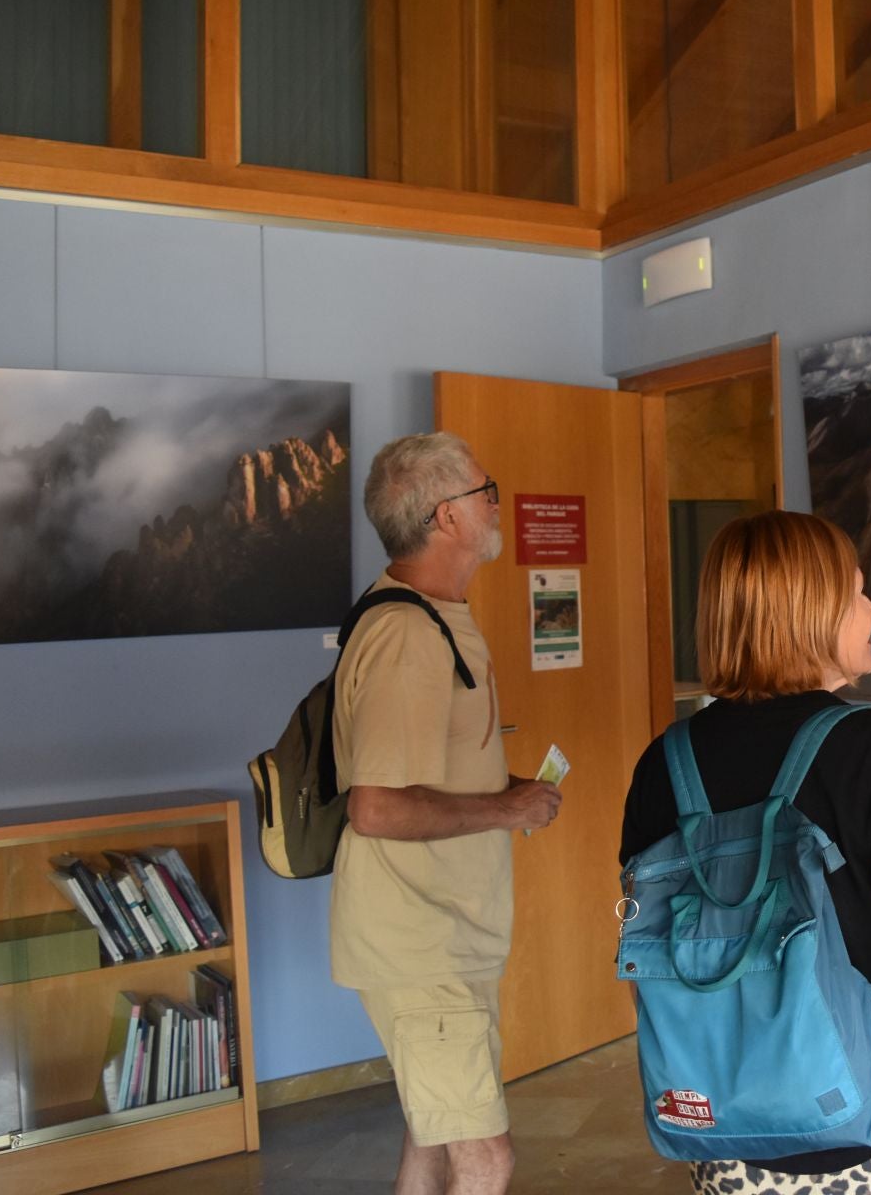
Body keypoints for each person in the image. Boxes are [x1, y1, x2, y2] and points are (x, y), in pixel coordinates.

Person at [619, 511, 871, 1194]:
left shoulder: (664, 763)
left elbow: (652, 954)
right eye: (858, 592)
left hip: (729, 1130)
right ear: (815, 611)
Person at [330, 432, 562, 1195]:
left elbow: (423, 772)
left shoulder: (435, 615)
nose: (497, 501)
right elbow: (378, 808)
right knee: (484, 1159)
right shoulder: (406, 633)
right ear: (445, 518)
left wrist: (506, 788)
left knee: (433, 1139)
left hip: (445, 937)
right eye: (484, 489)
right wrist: (504, 806)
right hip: (419, 944)